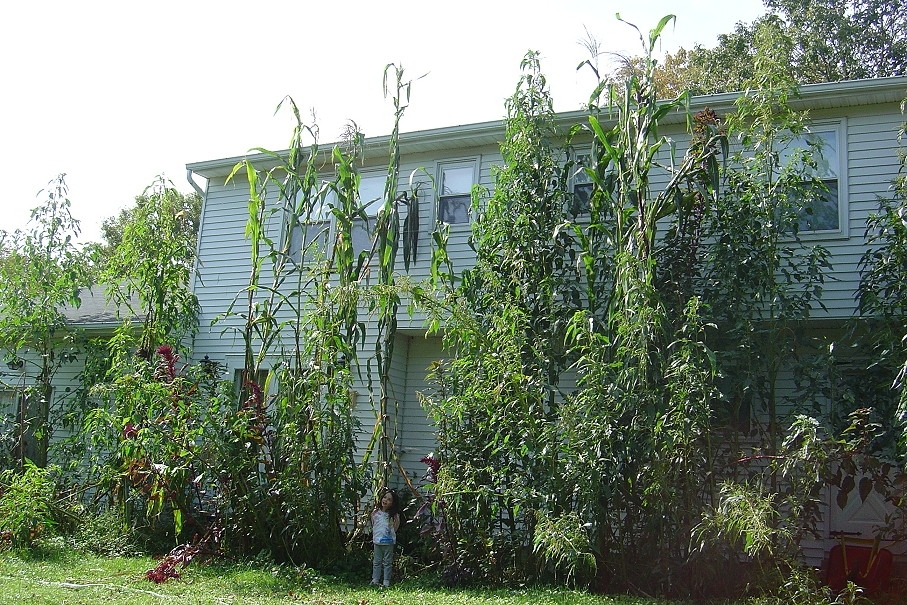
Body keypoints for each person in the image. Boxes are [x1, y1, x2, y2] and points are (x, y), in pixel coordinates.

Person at [370, 488, 400, 588]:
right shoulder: (375, 513)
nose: (385, 500)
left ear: (393, 503)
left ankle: (386, 581)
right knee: (376, 562)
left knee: (387, 562)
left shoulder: (393, 516)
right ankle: (375, 579)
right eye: (384, 497)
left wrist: (390, 535)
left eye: (389, 499)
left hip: (388, 542)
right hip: (377, 541)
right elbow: (373, 524)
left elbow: (396, 526)